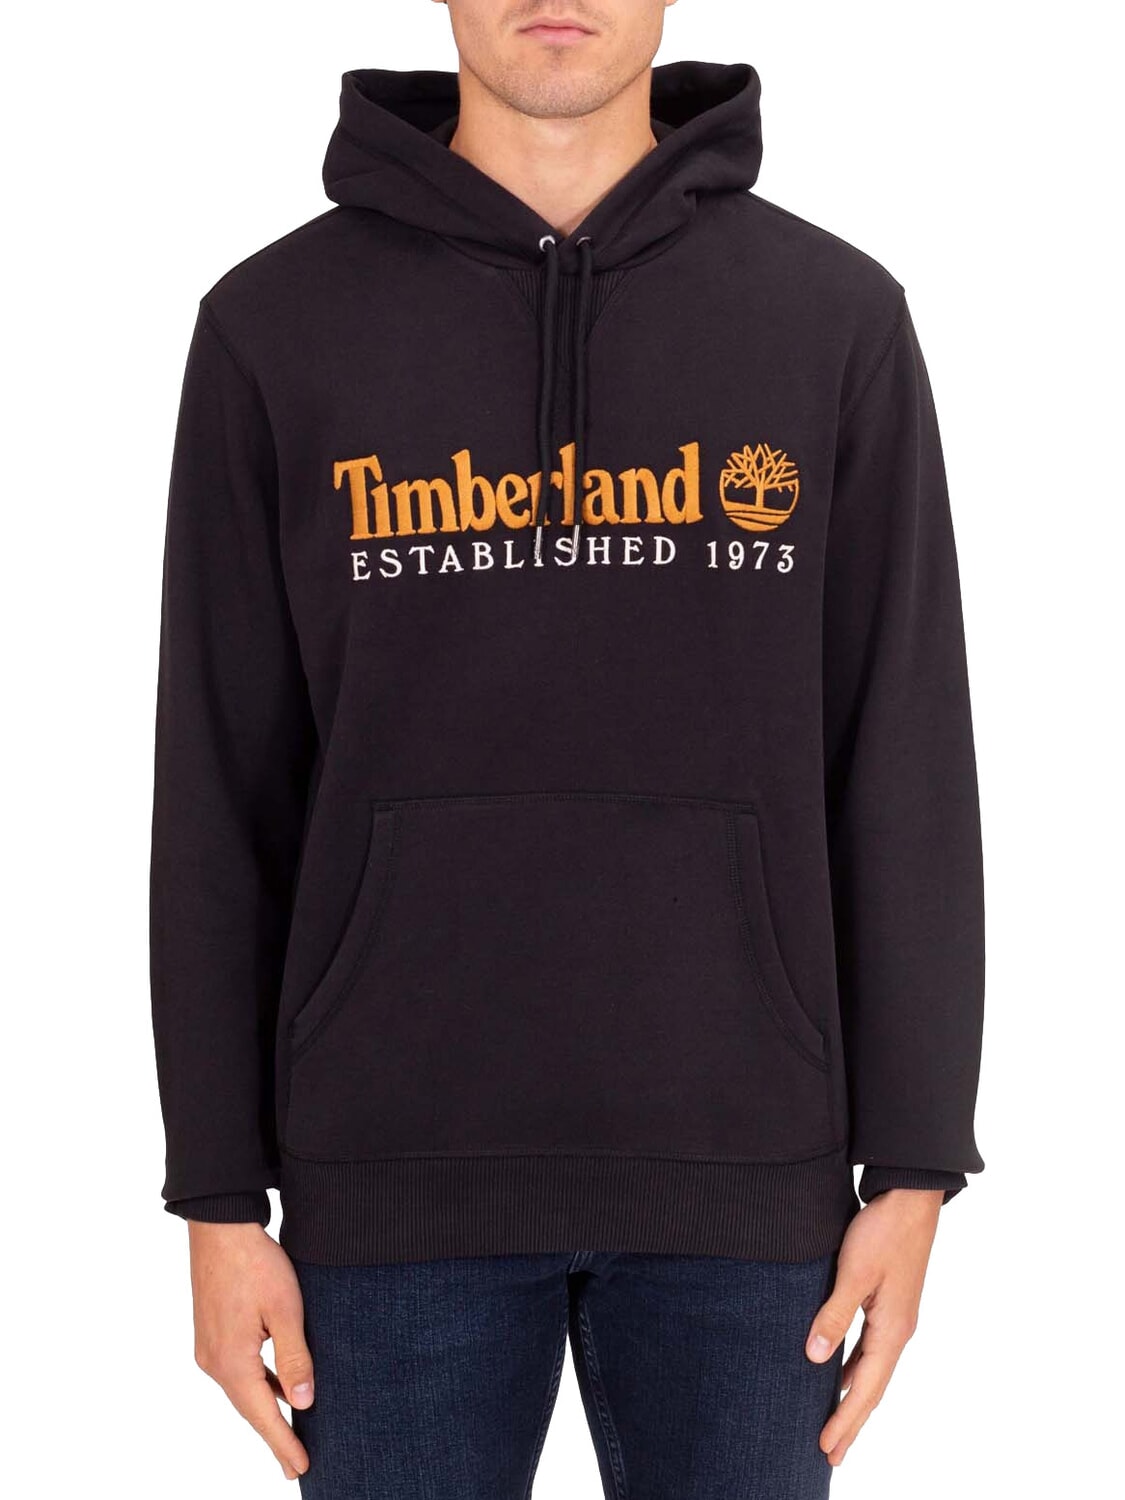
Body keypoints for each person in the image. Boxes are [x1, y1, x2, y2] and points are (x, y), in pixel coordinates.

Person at [148, 2, 987, 1495]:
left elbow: (903, 752)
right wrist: (217, 1197)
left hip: (749, 1191)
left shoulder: (832, 318)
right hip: (389, 1188)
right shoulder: (275, 325)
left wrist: (916, 1163)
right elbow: (220, 779)